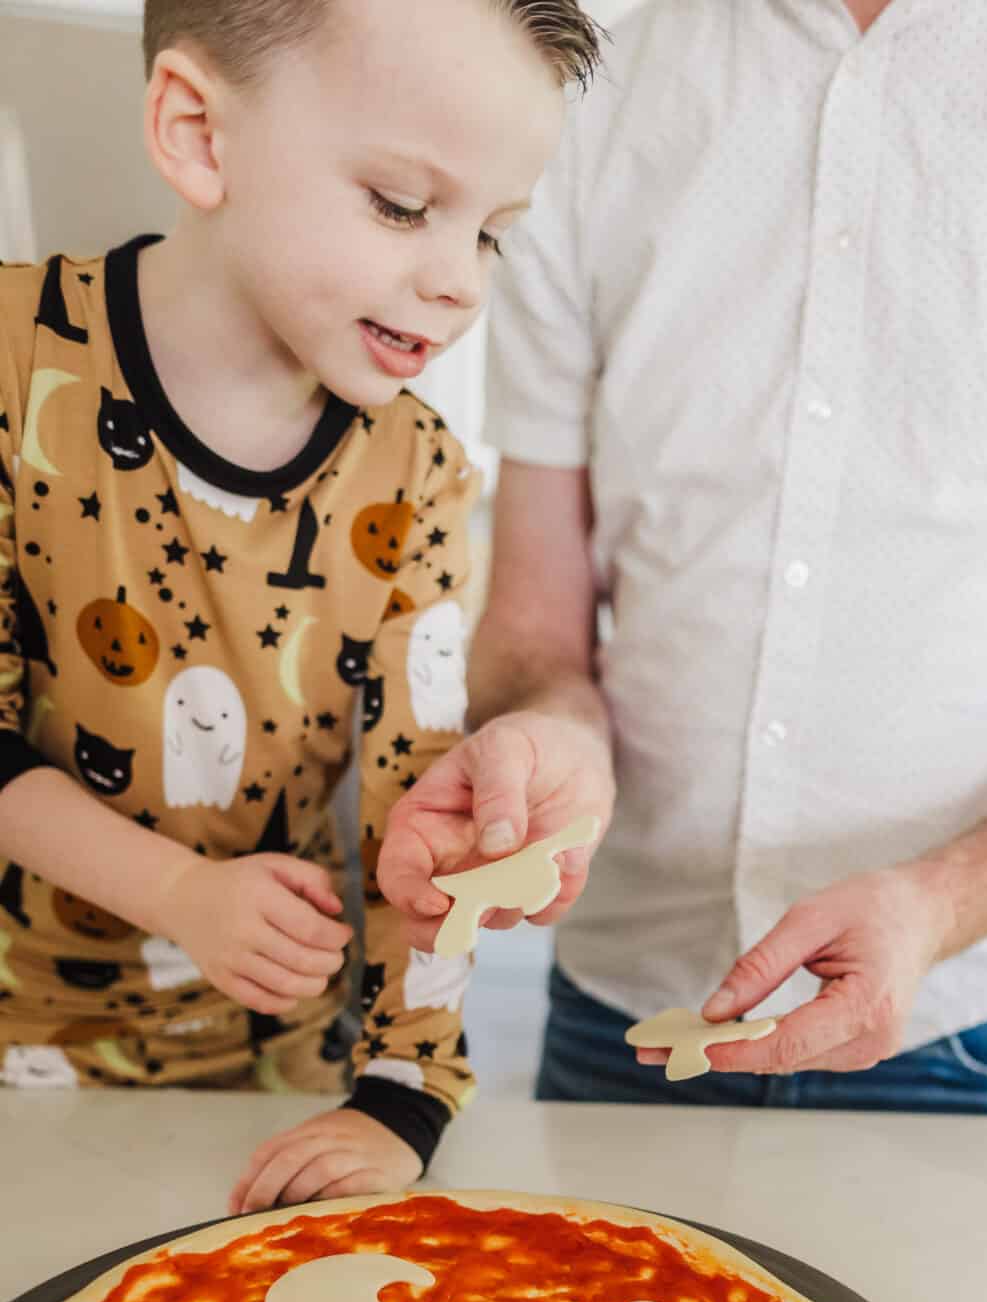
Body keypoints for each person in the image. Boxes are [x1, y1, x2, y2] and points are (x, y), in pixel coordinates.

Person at [379, 0, 987, 1116]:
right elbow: (538, 637)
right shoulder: (591, 92)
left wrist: (939, 903)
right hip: (629, 997)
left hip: (968, 1023)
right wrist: (550, 747)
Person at [0, 0, 599, 1206]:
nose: (457, 285)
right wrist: (176, 893)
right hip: (21, 1065)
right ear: (196, 133)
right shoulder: (17, 369)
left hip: (280, 1079)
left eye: (492, 234)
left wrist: (403, 1093)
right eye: (401, 205)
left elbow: (414, 822)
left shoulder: (419, 474)